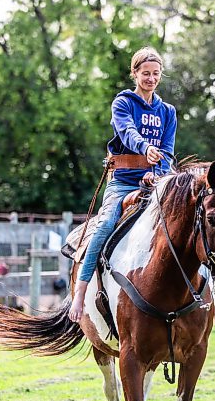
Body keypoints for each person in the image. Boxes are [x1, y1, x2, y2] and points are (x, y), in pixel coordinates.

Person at [69, 46, 177, 322]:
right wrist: (144, 148)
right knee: (105, 225)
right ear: (135, 73)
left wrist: (158, 172)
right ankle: (80, 294)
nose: (151, 78)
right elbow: (126, 132)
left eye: (155, 74)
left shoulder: (168, 111)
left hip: (155, 183)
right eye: (145, 73)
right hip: (122, 183)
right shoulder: (123, 102)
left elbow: (167, 149)